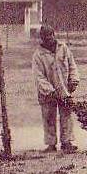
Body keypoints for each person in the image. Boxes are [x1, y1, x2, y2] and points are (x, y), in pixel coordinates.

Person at [31, 24, 80, 153]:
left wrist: (73, 81)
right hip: (48, 93)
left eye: (51, 35)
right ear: (42, 38)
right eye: (46, 37)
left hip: (64, 89)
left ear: (54, 34)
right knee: (48, 116)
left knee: (66, 115)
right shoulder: (38, 55)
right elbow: (39, 77)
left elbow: (72, 66)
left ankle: (67, 142)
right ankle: (51, 144)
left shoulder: (63, 49)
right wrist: (50, 91)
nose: (49, 38)